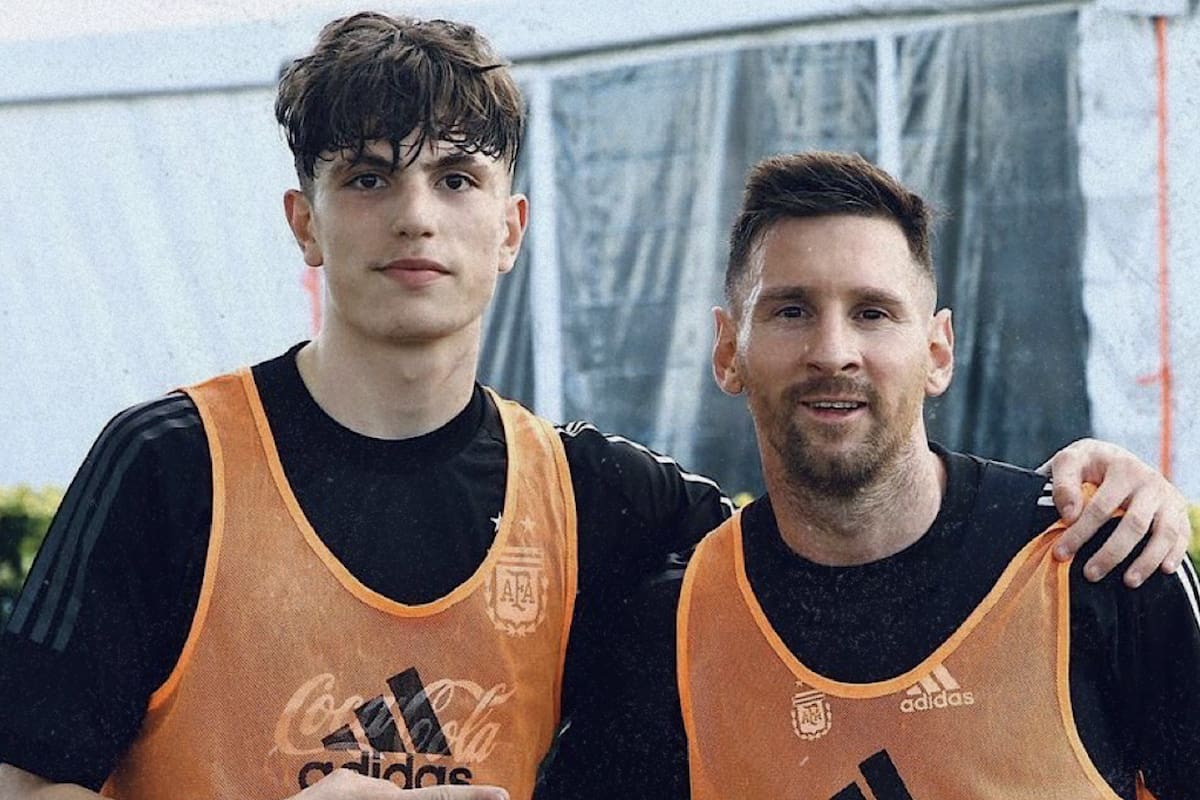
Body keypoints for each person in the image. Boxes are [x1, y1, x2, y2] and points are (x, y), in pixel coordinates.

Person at [0, 15, 1190, 800]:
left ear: (511, 227)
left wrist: (1107, 486)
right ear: (304, 220)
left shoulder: (600, 500)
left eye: (457, 177)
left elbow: (838, 533)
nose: (415, 215)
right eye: (366, 176)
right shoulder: (171, 466)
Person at [540, 152, 1200, 799]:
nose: (833, 352)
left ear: (937, 352)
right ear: (727, 351)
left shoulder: (1099, 560)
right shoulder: (674, 636)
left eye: (873, 313)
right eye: (790, 311)